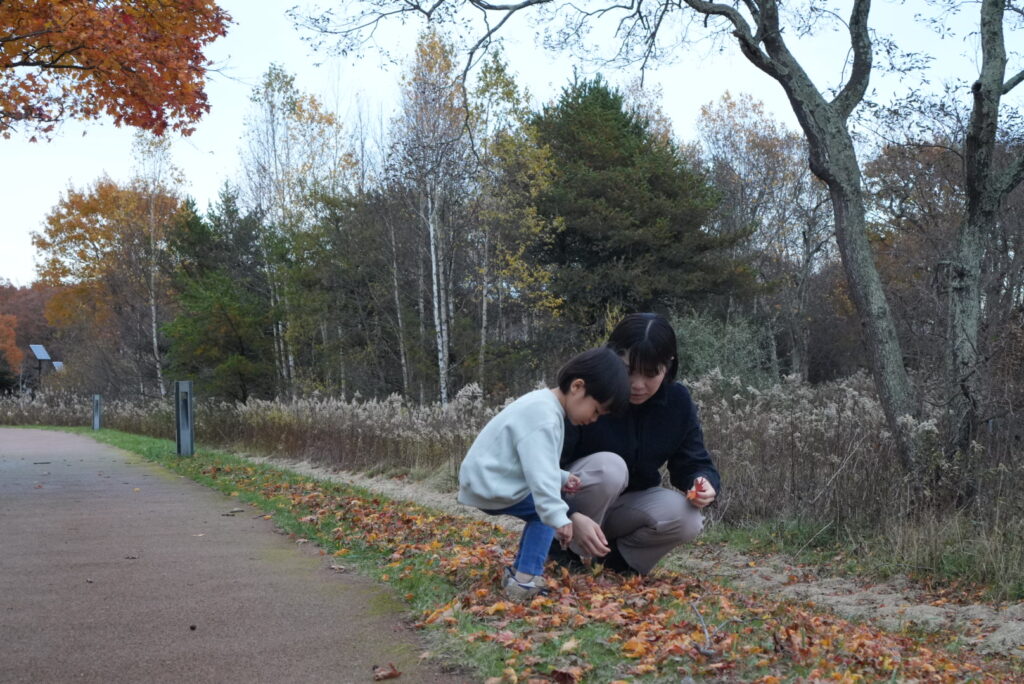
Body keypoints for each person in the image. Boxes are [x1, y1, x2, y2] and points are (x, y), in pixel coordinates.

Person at [457, 347, 630, 601]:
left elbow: (531, 460)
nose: (594, 419)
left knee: (542, 512)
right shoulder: (545, 416)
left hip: (489, 478)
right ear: (577, 387)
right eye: (596, 410)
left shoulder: (543, 405)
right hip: (490, 482)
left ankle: (519, 574)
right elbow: (539, 474)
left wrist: (561, 477)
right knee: (545, 513)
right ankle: (525, 580)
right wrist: (559, 516)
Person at [557, 313, 720, 576]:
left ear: (668, 366)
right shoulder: (585, 391)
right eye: (628, 371)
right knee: (610, 468)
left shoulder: (677, 402)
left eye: (651, 373)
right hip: (569, 503)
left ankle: (616, 562)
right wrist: (569, 514)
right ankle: (561, 552)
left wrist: (703, 482)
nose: (637, 385)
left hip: (625, 506)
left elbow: (693, 462)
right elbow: (545, 467)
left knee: (687, 517)